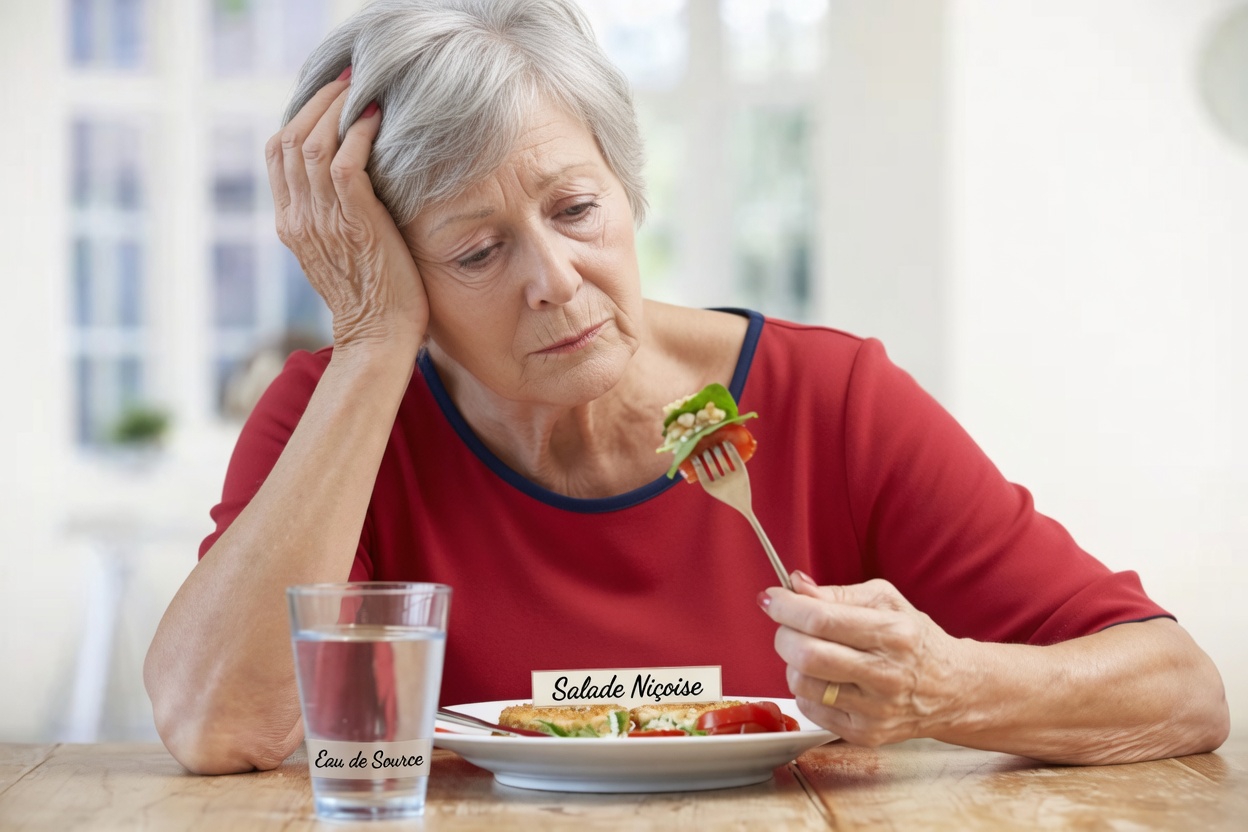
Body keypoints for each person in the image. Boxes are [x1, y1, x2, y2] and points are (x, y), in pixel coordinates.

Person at [143, 0, 1229, 775]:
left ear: (627, 187)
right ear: (389, 268)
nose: (555, 281)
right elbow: (216, 723)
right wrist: (375, 343)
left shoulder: (829, 396)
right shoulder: (337, 413)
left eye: (575, 210)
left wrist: (952, 687)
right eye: (477, 253)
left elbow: (1180, 688)